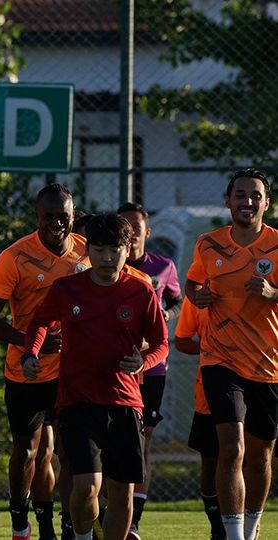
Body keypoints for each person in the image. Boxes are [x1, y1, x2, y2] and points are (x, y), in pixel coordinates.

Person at [22, 213, 169, 540]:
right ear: (87, 250)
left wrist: (143, 362)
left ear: (127, 249)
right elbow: (39, 322)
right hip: (78, 402)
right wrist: (32, 353)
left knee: (122, 492)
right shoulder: (66, 289)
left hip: (125, 403)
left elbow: (161, 344)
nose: (107, 258)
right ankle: (84, 536)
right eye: (99, 249)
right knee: (86, 485)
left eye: (114, 249)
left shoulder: (141, 292)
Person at [0, 184, 87, 540]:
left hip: (74, 372)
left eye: (64, 217)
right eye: (49, 217)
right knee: (29, 451)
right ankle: (22, 523)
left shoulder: (87, 254)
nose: (58, 223)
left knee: (70, 451)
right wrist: (31, 343)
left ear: (74, 216)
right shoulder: (15, 257)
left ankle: (69, 526)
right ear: (36, 217)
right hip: (28, 370)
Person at [185, 168, 278, 540]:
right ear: (227, 201)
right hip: (220, 359)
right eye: (240, 195)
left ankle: (252, 527)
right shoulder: (208, 244)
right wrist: (198, 297)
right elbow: (193, 282)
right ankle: (233, 536)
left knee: (259, 456)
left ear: (266, 203)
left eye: (255, 195)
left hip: (267, 363)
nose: (247, 201)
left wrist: (272, 294)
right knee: (232, 447)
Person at [117, 202, 183, 538]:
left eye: (136, 227)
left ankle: (134, 520)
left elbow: (175, 299)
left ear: (147, 231)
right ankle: (107, 512)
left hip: (151, 367)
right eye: (123, 227)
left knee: (143, 440)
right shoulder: (108, 269)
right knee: (110, 440)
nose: (130, 234)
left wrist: (166, 314)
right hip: (114, 367)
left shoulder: (163, 267)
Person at [174, 299, 224, 539]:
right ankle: (216, 522)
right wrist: (208, 347)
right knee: (211, 460)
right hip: (209, 390)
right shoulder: (198, 295)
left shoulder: (257, 285)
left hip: (257, 383)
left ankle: (245, 522)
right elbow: (182, 340)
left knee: (252, 457)